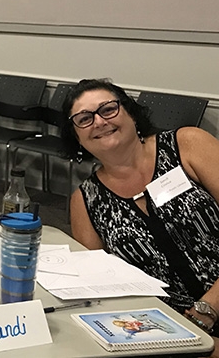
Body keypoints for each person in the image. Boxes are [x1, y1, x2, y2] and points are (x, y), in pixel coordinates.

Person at [64, 79, 219, 348]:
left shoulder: (186, 145)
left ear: (132, 114)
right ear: (77, 137)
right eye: (84, 119)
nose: (99, 122)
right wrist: (180, 340)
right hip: (168, 334)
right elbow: (100, 290)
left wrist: (207, 310)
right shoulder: (85, 201)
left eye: (108, 109)